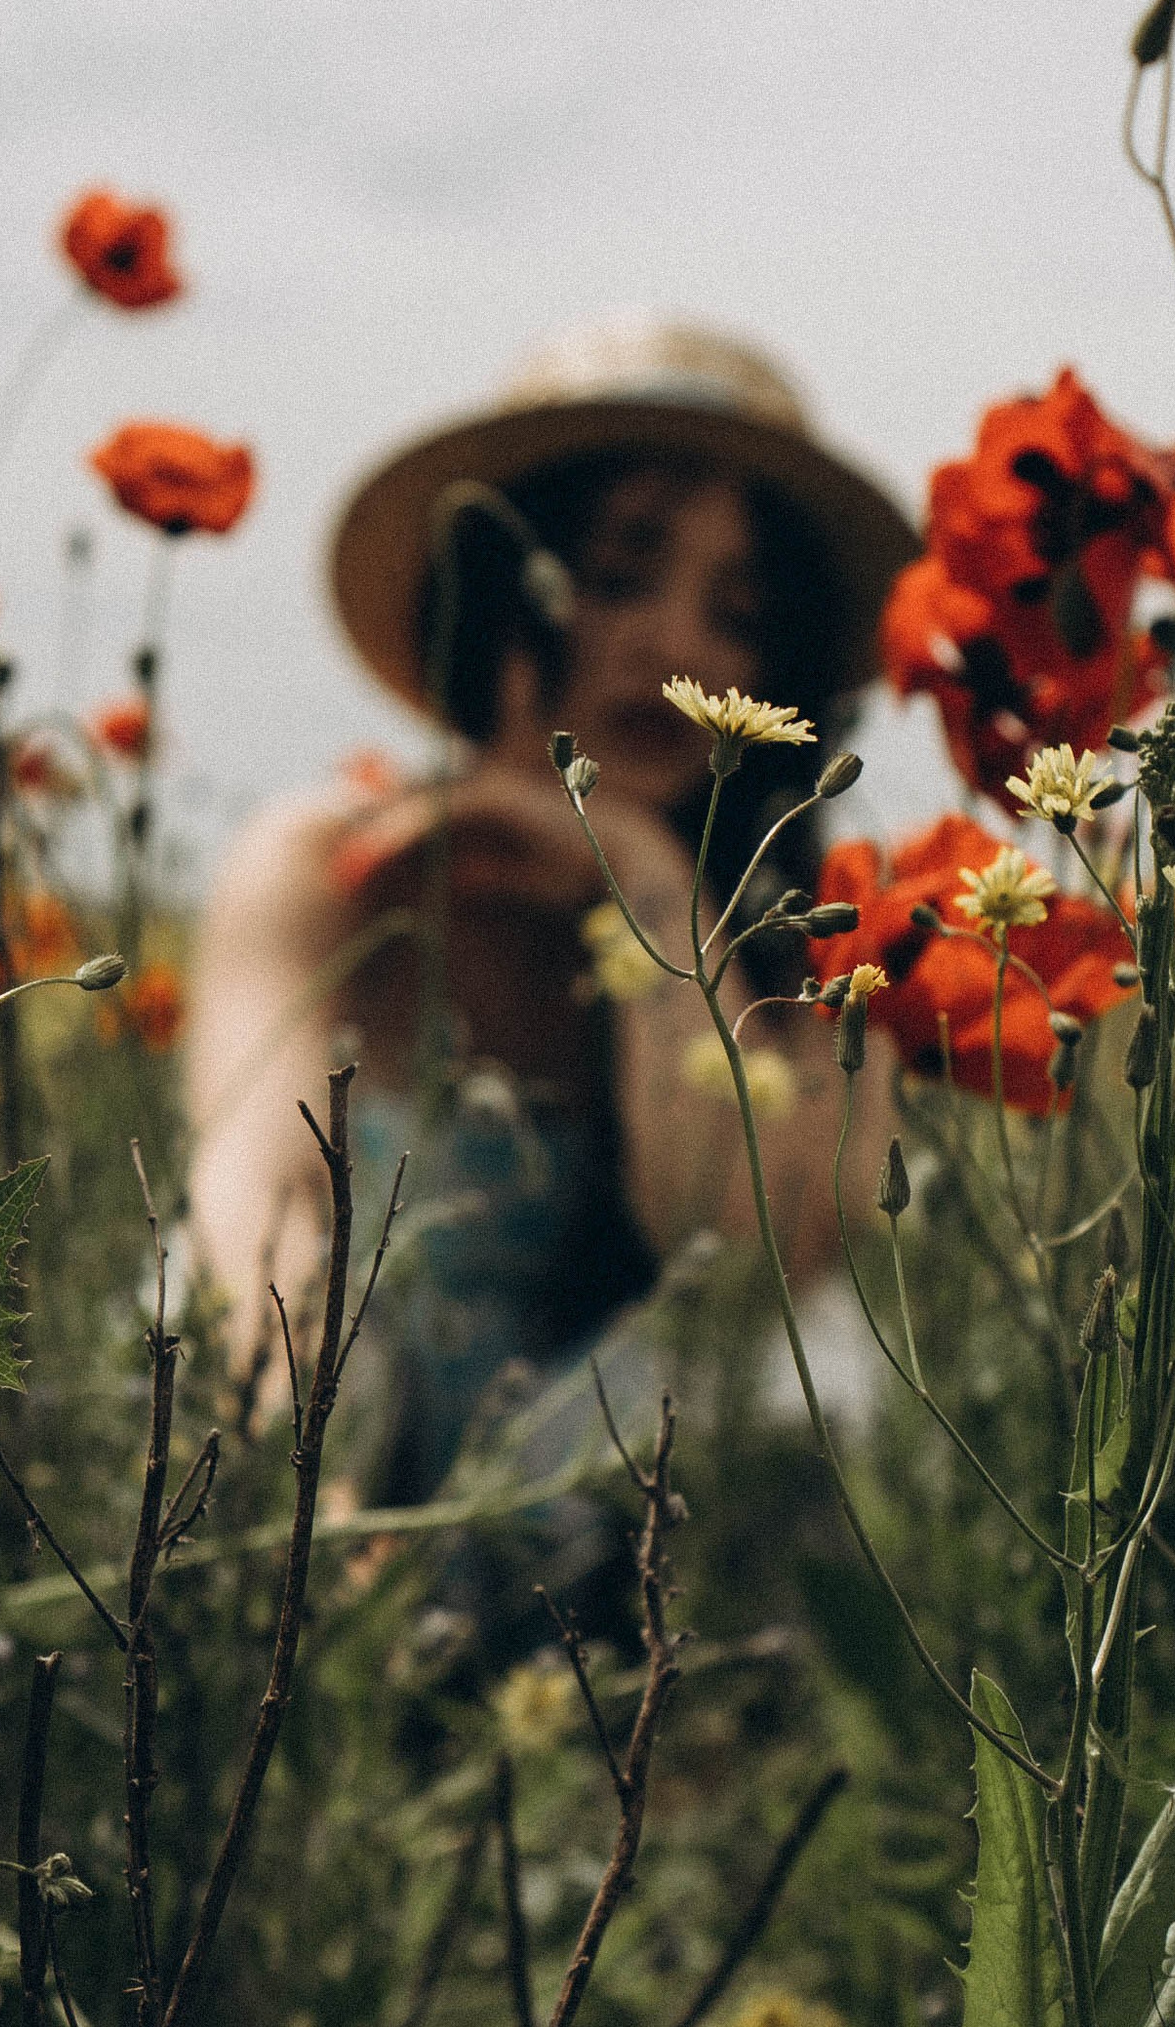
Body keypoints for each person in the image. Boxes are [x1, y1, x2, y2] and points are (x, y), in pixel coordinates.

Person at [184, 320, 914, 1502]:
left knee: (807, 1373)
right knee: (181, 1305)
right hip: (323, 1478)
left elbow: (737, 1255)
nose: (676, 644)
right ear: (500, 594)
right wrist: (312, 1504)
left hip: (606, 1520)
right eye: (619, 575)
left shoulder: (817, 951)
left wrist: (644, 883)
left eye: (737, 614)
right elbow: (252, 1204)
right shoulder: (323, 866)